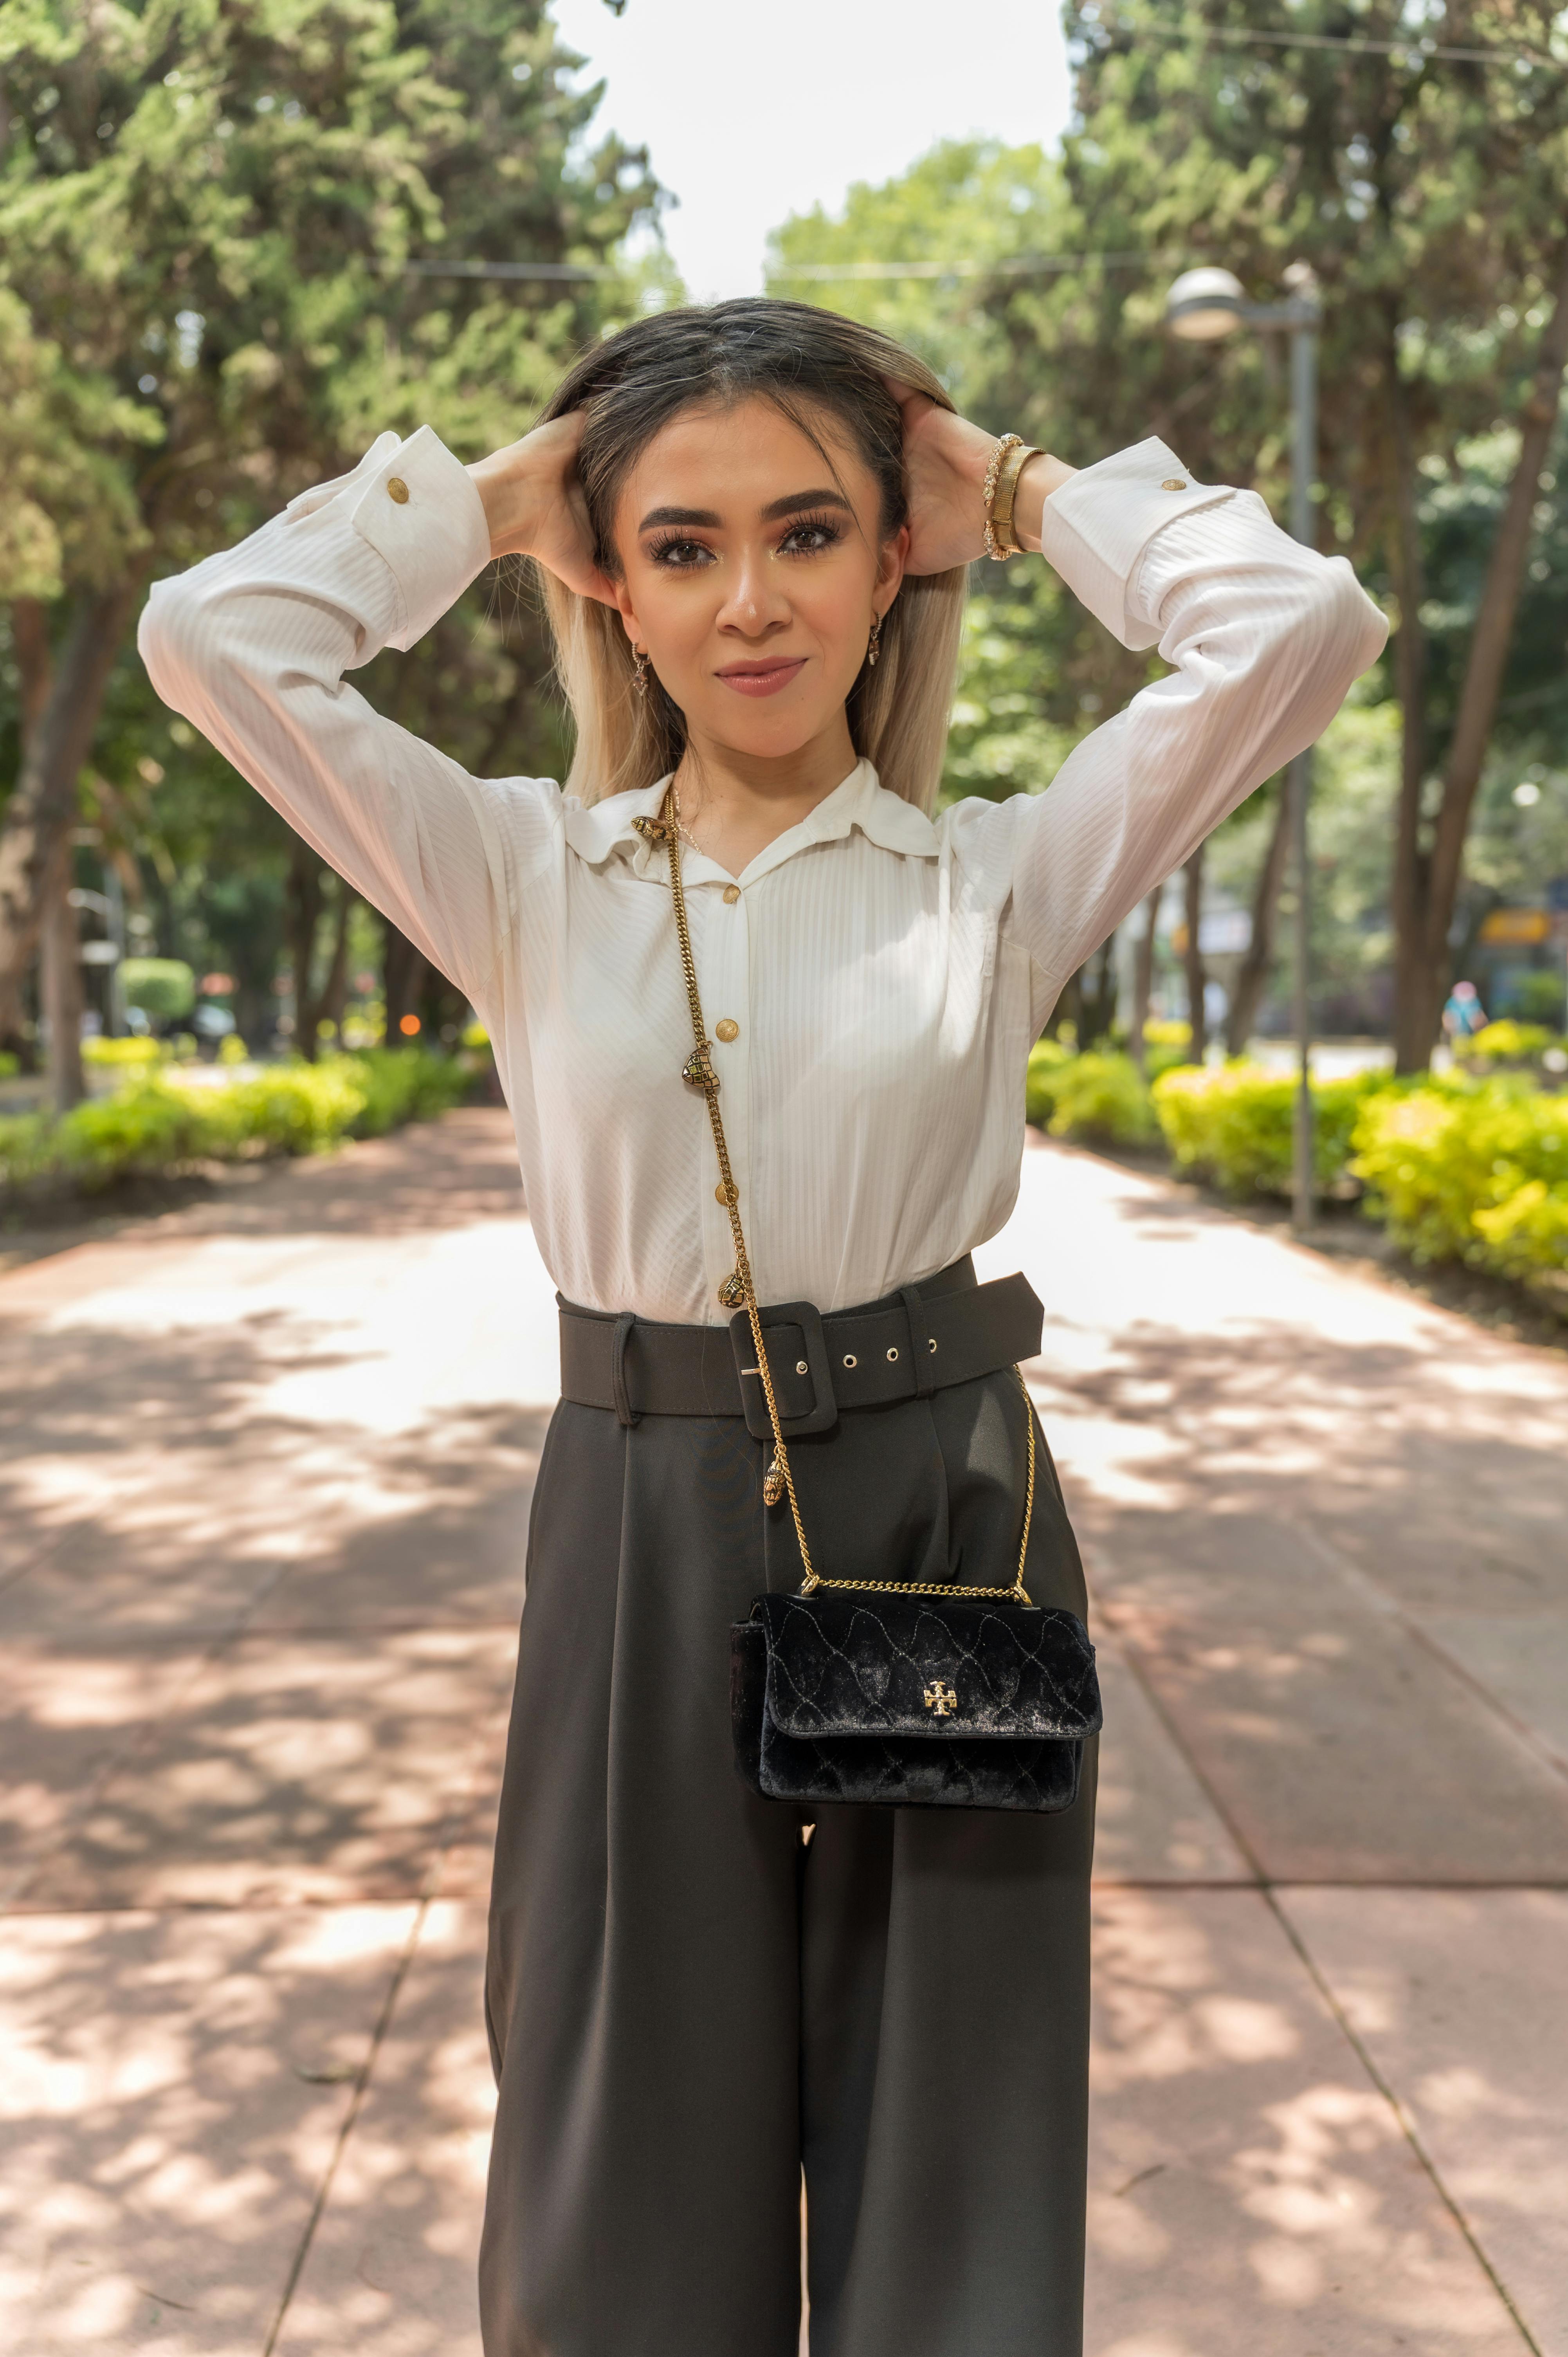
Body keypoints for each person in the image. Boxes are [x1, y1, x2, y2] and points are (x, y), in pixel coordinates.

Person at [139, 299, 1386, 2357]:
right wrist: (495, 498)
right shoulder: (517, 870)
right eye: (684, 544)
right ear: (611, 585)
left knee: (952, 2120)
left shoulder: (992, 879)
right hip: (634, 1497)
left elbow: (1302, 623)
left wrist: (1021, 488)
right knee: (615, 2107)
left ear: (891, 562)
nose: (749, 602)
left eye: (810, 533)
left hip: (942, 1489)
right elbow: (212, 639)